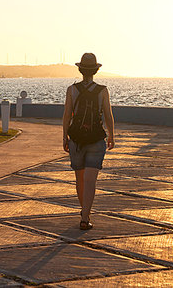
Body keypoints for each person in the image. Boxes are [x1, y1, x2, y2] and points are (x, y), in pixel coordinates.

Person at [62, 53, 115, 230]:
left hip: (76, 139)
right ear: (95, 71)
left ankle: (84, 211)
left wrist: (65, 137)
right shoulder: (103, 90)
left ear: (80, 69)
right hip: (96, 139)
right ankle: (85, 217)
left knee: (80, 179)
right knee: (91, 180)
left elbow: (67, 115)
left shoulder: (72, 89)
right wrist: (111, 135)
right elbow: (108, 115)